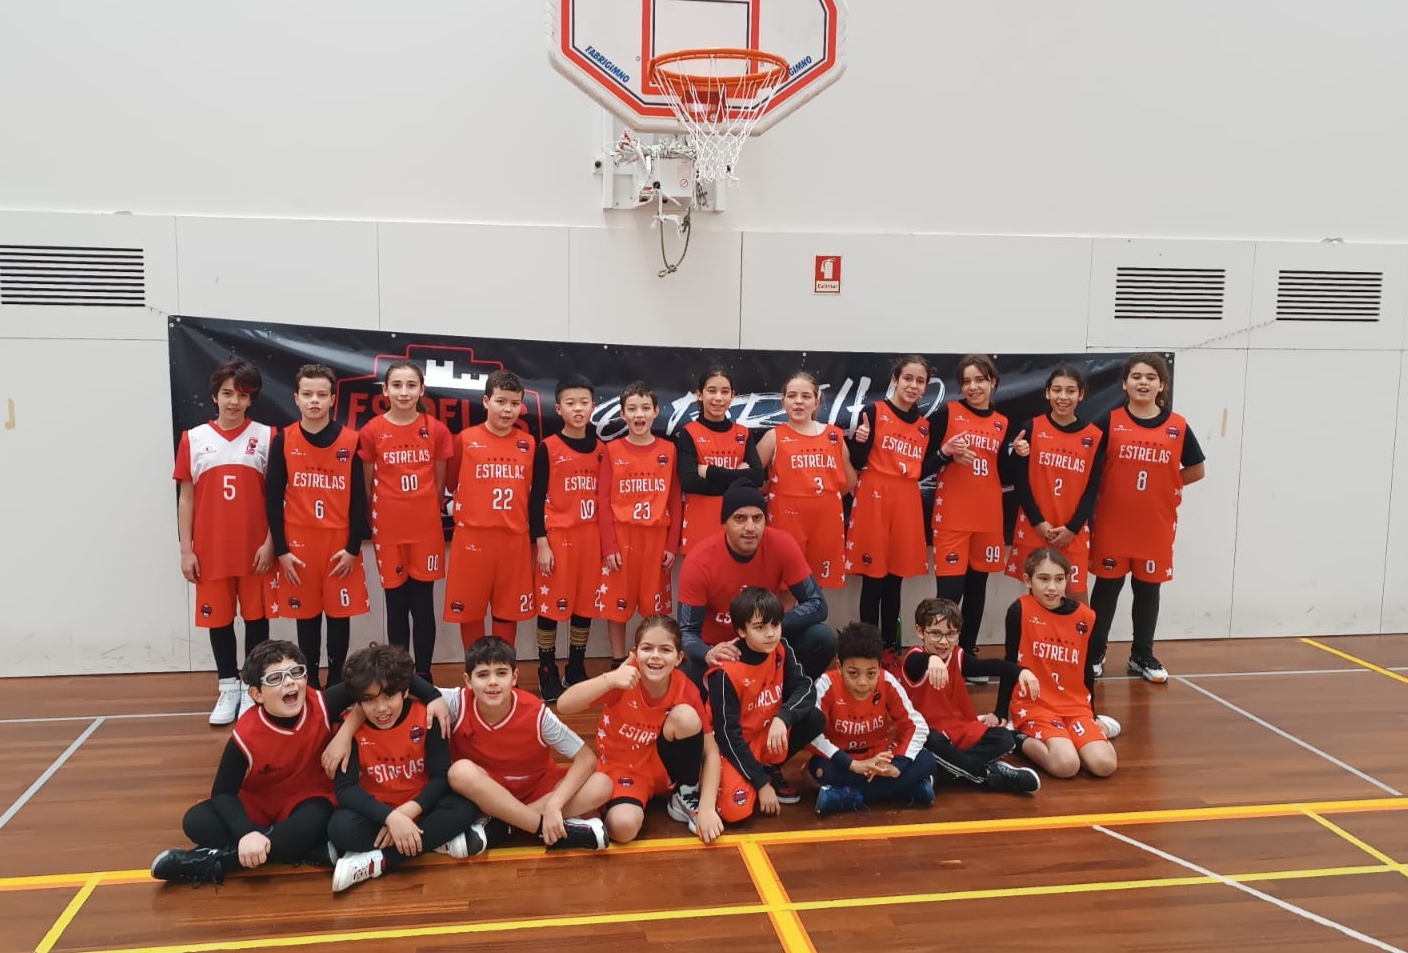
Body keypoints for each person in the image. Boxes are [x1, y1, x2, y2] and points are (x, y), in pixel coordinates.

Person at [149, 639, 449, 885]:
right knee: (196, 821)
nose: (289, 683)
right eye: (276, 679)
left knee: (315, 823)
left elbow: (386, 678)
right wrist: (245, 833)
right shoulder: (245, 734)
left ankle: (215, 862)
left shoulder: (321, 703)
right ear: (256, 694)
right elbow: (223, 792)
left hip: (308, 800)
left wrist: (434, 697)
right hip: (262, 802)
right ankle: (300, 850)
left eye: (296, 674)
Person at [1088, 353, 1206, 682]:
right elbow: (1088, 466)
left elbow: (1197, 469)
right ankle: (1095, 653)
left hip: (1155, 523)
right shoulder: (1108, 422)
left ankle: (1142, 654)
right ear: (1124, 383)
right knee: (1106, 589)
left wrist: (1168, 484)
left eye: (1151, 377)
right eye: (1136, 376)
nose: (1143, 382)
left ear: (1162, 385)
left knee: (1148, 590)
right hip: (1113, 521)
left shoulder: (1177, 426)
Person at [328, 643, 484, 892]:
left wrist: (407, 814)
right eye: (369, 700)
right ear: (358, 701)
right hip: (379, 813)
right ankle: (431, 841)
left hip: (421, 805)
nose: (381, 709)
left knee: (465, 807)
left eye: (388, 696)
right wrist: (391, 818)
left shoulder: (427, 717)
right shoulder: (348, 730)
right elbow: (345, 790)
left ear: (404, 691)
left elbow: (441, 776)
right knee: (339, 828)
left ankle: (378, 860)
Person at [558, 616, 724, 844]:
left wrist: (707, 808)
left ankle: (685, 794)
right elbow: (564, 705)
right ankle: (593, 811)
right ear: (634, 654)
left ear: (678, 658)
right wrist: (609, 679)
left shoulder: (685, 688)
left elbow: (711, 752)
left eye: (665, 649)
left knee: (685, 716)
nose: (655, 656)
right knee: (623, 828)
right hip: (623, 769)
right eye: (647, 648)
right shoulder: (622, 681)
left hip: (662, 767)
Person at [174, 359, 276, 725]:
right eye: (228, 393)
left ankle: (253, 689)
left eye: (242, 395)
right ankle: (227, 686)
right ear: (215, 396)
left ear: (251, 400)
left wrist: (271, 542)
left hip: (255, 550)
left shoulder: (266, 436)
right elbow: (186, 497)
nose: (234, 401)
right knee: (219, 621)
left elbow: (278, 497)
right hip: (211, 549)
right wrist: (186, 549)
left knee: (256, 620)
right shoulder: (194, 437)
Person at [445, 636, 610, 850]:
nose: (492, 682)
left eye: (501, 673)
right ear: (468, 681)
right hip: (487, 795)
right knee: (459, 772)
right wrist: (431, 699)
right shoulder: (455, 702)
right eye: (483, 675)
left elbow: (586, 758)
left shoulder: (536, 713)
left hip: (536, 792)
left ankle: (506, 826)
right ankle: (543, 827)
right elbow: (406, 684)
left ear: (515, 677)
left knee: (602, 784)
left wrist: (555, 804)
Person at [266, 363, 371, 689]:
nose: (314, 400)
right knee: (306, 619)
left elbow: (359, 500)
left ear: (332, 399)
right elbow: (271, 499)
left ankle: (338, 685)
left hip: (339, 544)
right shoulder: (283, 439)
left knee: (340, 619)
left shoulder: (351, 441)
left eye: (321, 394)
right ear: (296, 398)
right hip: (299, 545)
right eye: (307, 394)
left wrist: (354, 547)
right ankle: (309, 685)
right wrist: (281, 550)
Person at [677, 479, 837, 683]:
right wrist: (708, 653)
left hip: (766, 644)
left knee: (822, 638)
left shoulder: (782, 544)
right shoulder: (699, 561)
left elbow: (817, 604)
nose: (750, 527)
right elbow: (686, 632)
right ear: (724, 523)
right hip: (720, 650)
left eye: (757, 518)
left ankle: (790, 697)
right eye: (740, 518)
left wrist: (765, 627)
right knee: (683, 675)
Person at [358, 361, 454, 682]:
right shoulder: (372, 431)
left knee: (423, 605)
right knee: (396, 605)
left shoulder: (436, 430)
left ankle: (424, 674)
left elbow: (439, 485)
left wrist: (424, 510)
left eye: (411, 385)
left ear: (422, 390)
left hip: (425, 530)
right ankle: (399, 674)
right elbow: (368, 484)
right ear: (385, 390)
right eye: (396, 385)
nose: (403, 392)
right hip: (389, 530)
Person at [995, 549, 1119, 779]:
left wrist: (1091, 714)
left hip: (1074, 705)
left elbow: (1086, 668)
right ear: (1027, 580)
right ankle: (1016, 736)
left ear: (1067, 579)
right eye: (1043, 579)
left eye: (1059, 579)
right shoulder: (1019, 610)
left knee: (1105, 765)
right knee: (1066, 766)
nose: (1052, 587)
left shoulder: (1086, 617)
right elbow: (1010, 661)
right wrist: (1000, 711)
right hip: (1036, 705)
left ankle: (1076, 736)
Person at [846, 356, 939, 663]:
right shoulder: (874, 411)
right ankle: (865, 647)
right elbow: (858, 461)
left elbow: (923, 467)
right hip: (875, 493)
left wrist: (944, 454)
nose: (913, 385)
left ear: (926, 386)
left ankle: (889, 647)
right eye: (908, 378)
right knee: (873, 578)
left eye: (920, 381)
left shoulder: (924, 427)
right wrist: (858, 442)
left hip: (906, 498)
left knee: (895, 578)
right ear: (896, 380)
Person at [706, 588, 826, 823]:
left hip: (768, 733)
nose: (771, 634)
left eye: (775, 625)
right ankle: (755, 776)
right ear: (742, 630)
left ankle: (771, 768)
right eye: (760, 628)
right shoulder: (724, 671)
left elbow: (806, 688)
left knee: (814, 718)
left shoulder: (781, 648)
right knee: (736, 814)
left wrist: (783, 717)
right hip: (734, 745)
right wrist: (761, 785)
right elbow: (727, 735)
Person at [899, 598, 1041, 794]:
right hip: (927, 734)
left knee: (1005, 738)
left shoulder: (957, 655)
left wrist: (1020, 672)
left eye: (951, 634)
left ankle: (944, 770)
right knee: (930, 741)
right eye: (936, 634)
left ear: (958, 635)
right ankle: (988, 775)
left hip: (958, 731)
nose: (943, 641)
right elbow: (917, 661)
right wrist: (931, 659)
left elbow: (989, 665)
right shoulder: (913, 660)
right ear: (920, 631)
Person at [931, 354, 1012, 679]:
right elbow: (924, 462)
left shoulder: (1003, 422)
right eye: (967, 381)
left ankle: (968, 654)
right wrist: (946, 455)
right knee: (950, 592)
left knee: (978, 588)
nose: (973, 387)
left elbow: (1005, 471)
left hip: (988, 516)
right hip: (952, 515)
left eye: (980, 380)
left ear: (993, 382)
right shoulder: (947, 413)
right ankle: (941, 657)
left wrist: (1020, 455)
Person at [443, 369, 536, 648]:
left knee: (508, 612)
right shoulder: (465, 439)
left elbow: (530, 489)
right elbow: (451, 481)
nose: (508, 410)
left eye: (514, 403)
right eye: (501, 401)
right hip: (473, 538)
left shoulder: (528, 443)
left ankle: (505, 671)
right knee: (469, 610)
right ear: (486, 402)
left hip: (513, 540)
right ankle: (475, 673)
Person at [805, 622, 936, 814]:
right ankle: (909, 789)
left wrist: (897, 766)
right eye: (853, 673)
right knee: (820, 770)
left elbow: (918, 726)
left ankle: (845, 796)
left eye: (871, 673)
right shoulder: (826, 684)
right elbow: (811, 734)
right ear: (840, 667)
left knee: (927, 760)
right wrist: (854, 765)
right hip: (842, 760)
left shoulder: (888, 681)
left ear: (879, 667)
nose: (863, 682)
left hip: (880, 756)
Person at [529, 374, 604, 700]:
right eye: (570, 403)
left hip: (591, 537)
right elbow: (535, 498)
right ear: (558, 408)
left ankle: (576, 666)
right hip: (558, 539)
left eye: (584, 402)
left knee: (583, 605)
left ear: (593, 406)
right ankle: (547, 669)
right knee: (550, 607)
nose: (578, 409)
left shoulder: (603, 450)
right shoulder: (548, 447)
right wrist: (541, 542)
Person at [597, 381, 681, 666]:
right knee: (616, 606)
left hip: (656, 538)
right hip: (622, 536)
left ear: (656, 411)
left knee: (653, 608)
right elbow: (603, 501)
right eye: (632, 409)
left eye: (645, 408)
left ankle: (651, 659)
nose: (639, 414)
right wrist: (609, 546)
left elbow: (674, 501)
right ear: (622, 414)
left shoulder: (669, 450)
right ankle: (618, 660)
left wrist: (672, 544)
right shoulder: (611, 450)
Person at [1006, 365, 1103, 604]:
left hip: (1073, 530)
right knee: (1037, 595)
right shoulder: (1032, 427)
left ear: (1081, 395)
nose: (1063, 397)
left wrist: (1073, 527)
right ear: (1047, 393)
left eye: (1070, 391)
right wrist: (1038, 522)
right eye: (1057, 390)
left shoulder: (1094, 436)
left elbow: (1093, 488)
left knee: (1076, 596)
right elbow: (1018, 480)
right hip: (1035, 526)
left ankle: (1079, 643)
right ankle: (1035, 642)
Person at [756, 371, 856, 591]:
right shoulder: (774, 436)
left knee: (817, 589)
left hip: (826, 521)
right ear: (783, 402)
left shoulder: (834, 435)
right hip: (786, 520)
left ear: (816, 401)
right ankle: (784, 627)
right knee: (785, 589)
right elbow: (749, 476)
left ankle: (811, 626)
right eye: (792, 396)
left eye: (806, 396)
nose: (798, 401)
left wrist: (822, 499)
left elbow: (849, 480)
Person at [676, 366, 765, 556]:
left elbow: (757, 477)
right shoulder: (688, 433)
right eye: (711, 391)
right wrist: (739, 477)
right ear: (699, 395)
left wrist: (709, 472)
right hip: (700, 523)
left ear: (733, 396)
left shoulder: (743, 433)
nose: (718, 398)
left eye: (725, 392)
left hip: (736, 526)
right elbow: (690, 482)